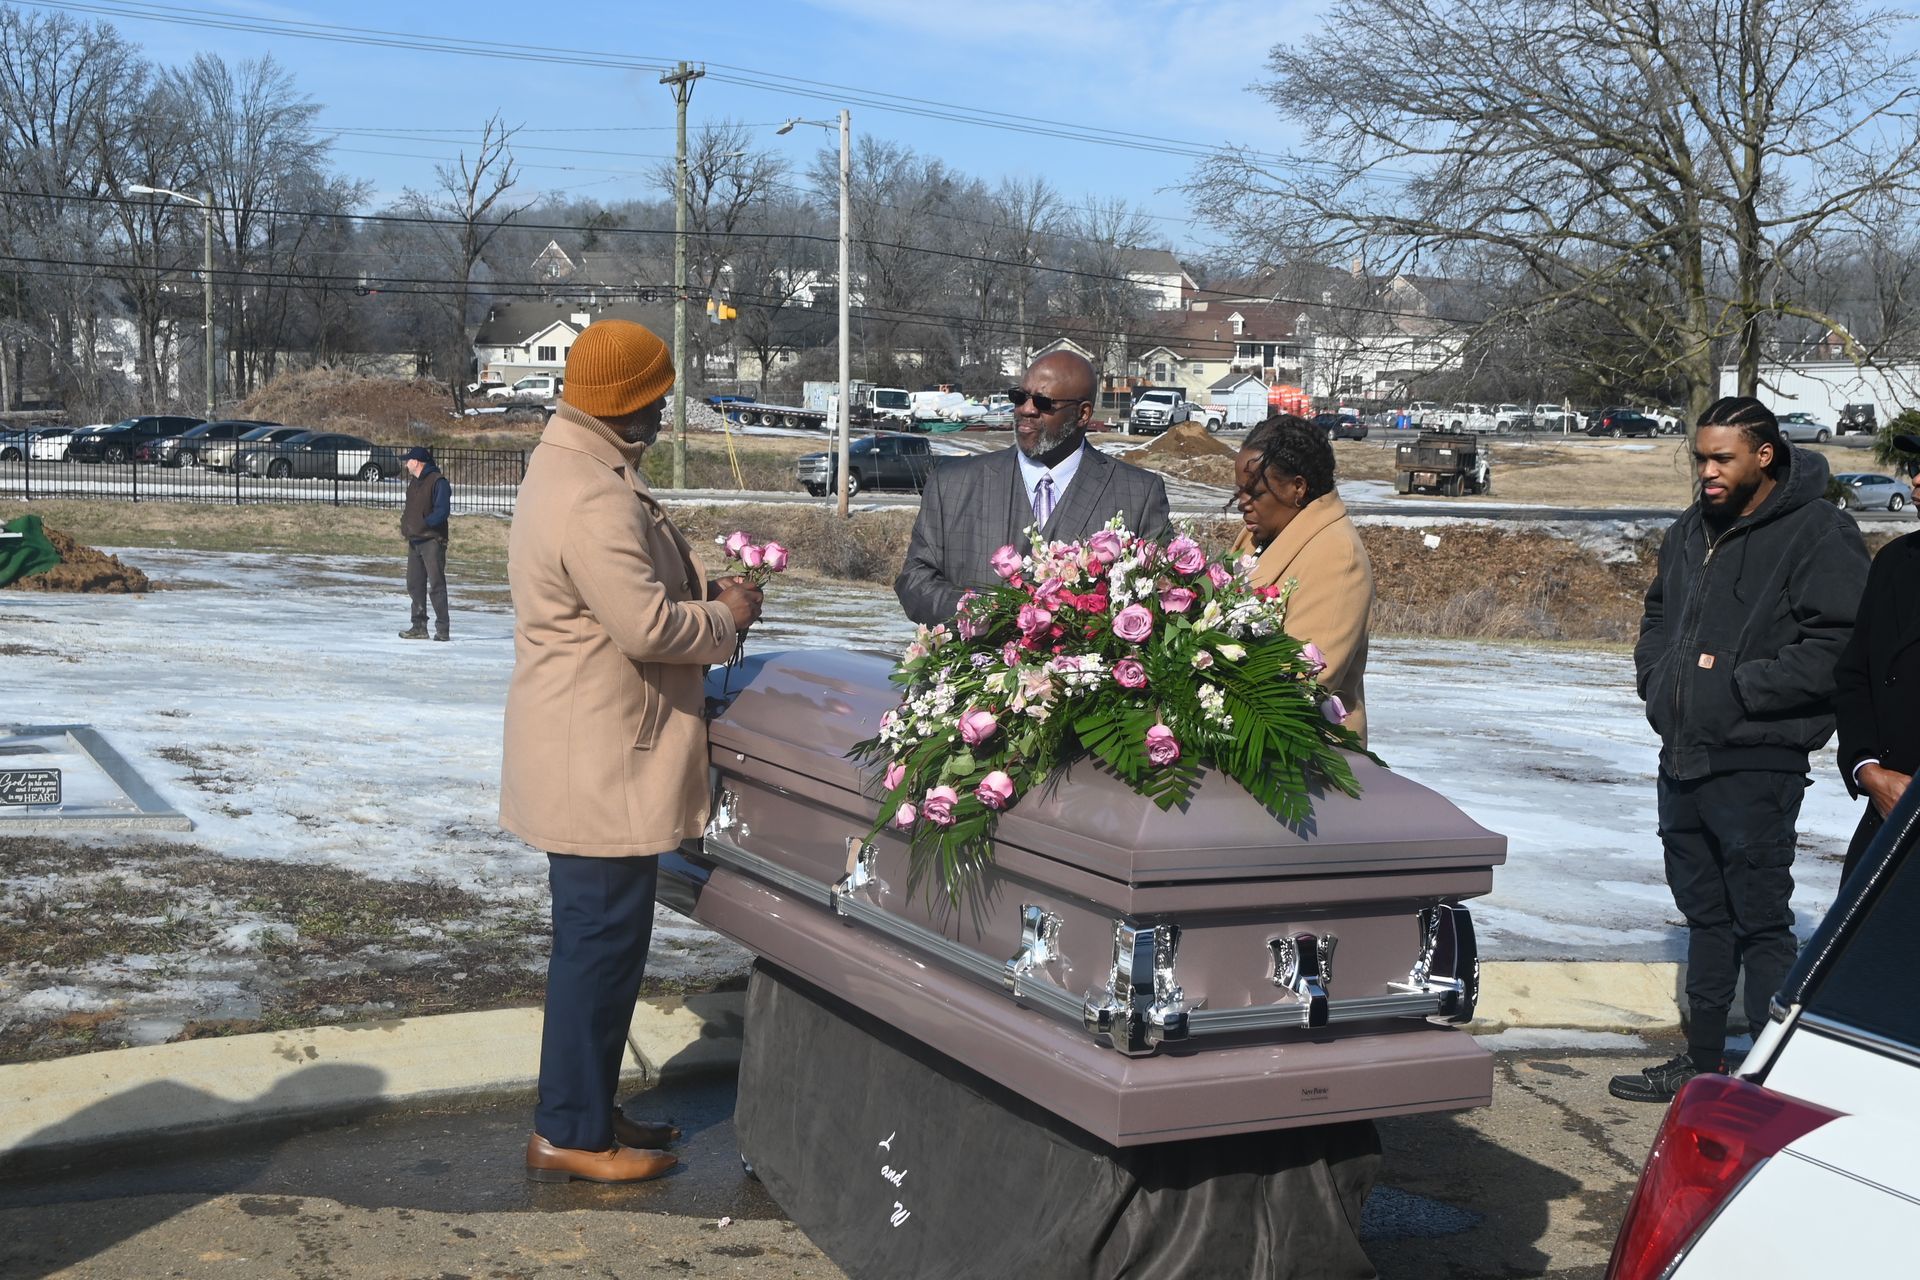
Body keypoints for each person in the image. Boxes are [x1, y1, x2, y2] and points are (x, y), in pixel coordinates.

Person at [500, 318, 764, 1183]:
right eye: (655, 397)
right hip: (600, 756)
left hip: (589, 744)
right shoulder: (593, 491)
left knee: (604, 947)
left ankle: (584, 1108)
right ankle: (570, 1134)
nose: (660, 413)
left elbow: (620, 596)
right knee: (598, 949)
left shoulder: (574, 463)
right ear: (630, 400)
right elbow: (645, 625)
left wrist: (703, 590)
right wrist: (726, 617)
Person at [1612, 396, 1868, 1104]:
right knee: (1705, 916)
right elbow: (1659, 614)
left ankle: (1765, 1079)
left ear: (1764, 454)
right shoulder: (1690, 528)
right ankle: (1701, 1064)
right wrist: (1657, 679)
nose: (1707, 471)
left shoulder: (1819, 530)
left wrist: (1739, 687)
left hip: (1759, 758)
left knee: (1759, 920)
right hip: (1683, 753)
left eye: (1721, 458)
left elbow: (1839, 642)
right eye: (1700, 458)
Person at [894, 351, 1172, 625]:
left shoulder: (1138, 494)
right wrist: (979, 613)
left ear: (1083, 414)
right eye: (1019, 397)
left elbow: (1162, 597)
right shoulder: (952, 485)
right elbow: (915, 581)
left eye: (1042, 402)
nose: (1026, 410)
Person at [1227, 414, 1375, 745]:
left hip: (1304, 754)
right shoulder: (1259, 534)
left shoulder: (1337, 555)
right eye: (1239, 491)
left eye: (1255, 493)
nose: (1242, 504)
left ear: (1298, 487)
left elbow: (1306, 680)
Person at [1832, 444, 1920, 885]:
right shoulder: (1894, 561)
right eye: (1917, 467)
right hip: (1887, 811)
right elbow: (1855, 676)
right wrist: (1867, 769)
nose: (1916, 480)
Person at [398, 446, 451, 641]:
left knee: (436, 585)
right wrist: (406, 524)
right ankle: (419, 626)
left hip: (432, 540)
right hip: (415, 540)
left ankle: (443, 629)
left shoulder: (438, 482)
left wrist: (425, 523)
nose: (406, 464)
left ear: (418, 462)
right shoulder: (414, 482)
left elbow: (442, 511)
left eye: (408, 460)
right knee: (414, 584)